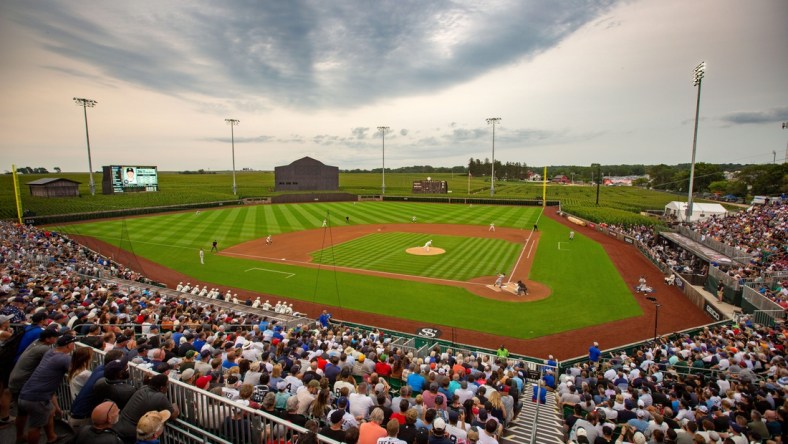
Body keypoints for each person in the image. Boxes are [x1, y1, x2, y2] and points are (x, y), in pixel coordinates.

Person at [18, 334, 77, 444]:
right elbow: (76, 372)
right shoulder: (64, 358)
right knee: (35, 427)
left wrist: (56, 406)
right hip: (36, 398)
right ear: (69, 346)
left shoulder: (51, 352)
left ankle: (51, 437)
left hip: (27, 392)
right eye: (73, 343)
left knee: (49, 411)